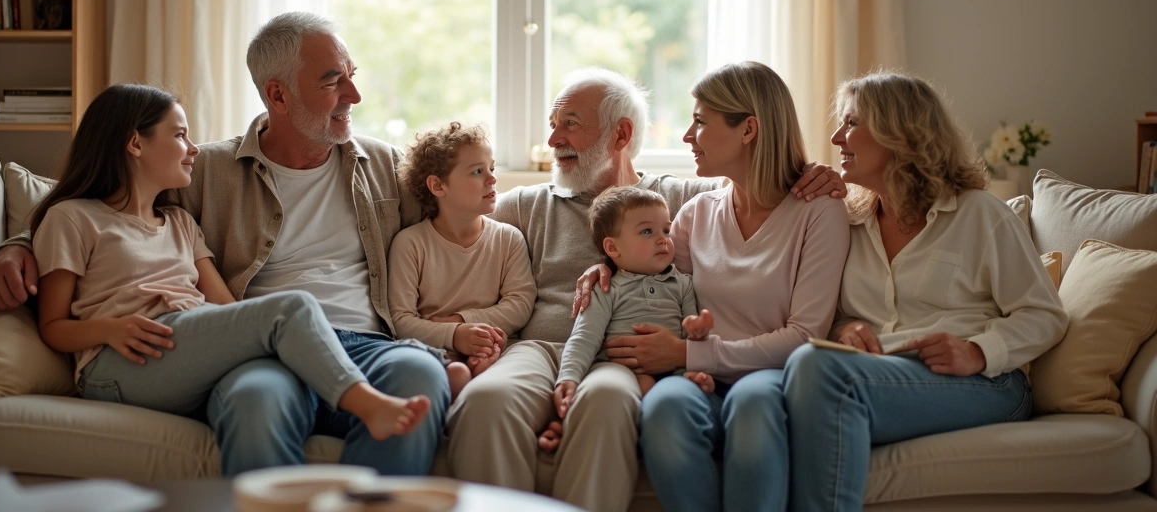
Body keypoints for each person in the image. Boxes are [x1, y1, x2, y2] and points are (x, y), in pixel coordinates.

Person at [0, 12, 451, 478]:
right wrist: (17, 247)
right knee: (254, 400)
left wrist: (472, 324)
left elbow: (458, 225)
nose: (355, 95)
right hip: (264, 354)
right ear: (277, 94)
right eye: (333, 82)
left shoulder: (384, 164)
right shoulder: (206, 171)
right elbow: (101, 202)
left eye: (352, 77)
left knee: (422, 377)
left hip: (367, 344)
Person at [447, 66, 848, 511]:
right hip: (540, 347)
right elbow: (451, 239)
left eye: (570, 124)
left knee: (606, 403)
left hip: (620, 354)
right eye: (552, 126)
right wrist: (453, 334)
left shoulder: (678, 202)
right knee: (485, 402)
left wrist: (820, 175)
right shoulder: (523, 205)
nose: (554, 139)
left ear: (621, 134)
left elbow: (766, 183)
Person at [32, 84, 429, 440]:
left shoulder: (180, 223)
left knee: (268, 359)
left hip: (187, 345)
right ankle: (365, 403)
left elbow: (231, 311)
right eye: (180, 135)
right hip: (120, 361)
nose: (192, 149)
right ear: (135, 143)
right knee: (293, 305)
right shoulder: (73, 218)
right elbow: (52, 327)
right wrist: (109, 329)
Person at [781, 72, 1069, 511]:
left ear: (901, 133)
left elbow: (1045, 315)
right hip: (877, 375)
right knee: (793, 385)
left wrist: (978, 350)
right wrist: (847, 328)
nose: (837, 137)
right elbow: (835, 313)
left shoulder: (980, 215)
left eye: (852, 123)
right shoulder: (847, 222)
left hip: (985, 383)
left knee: (814, 370)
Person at [573, 62, 851, 512]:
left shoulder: (819, 212)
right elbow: (658, 284)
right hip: (694, 377)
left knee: (755, 407)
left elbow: (806, 336)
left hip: (767, 376)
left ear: (748, 130)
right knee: (664, 408)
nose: (687, 135)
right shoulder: (697, 212)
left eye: (701, 121)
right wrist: (605, 269)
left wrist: (687, 353)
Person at [548, 186, 711, 450]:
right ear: (613, 247)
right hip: (624, 371)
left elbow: (689, 331)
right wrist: (568, 378)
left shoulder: (682, 283)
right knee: (636, 389)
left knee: (691, 385)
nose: (662, 239)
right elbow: (585, 337)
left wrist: (697, 331)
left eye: (666, 231)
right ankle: (570, 426)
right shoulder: (606, 287)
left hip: (673, 371)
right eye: (648, 231)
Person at [387, 121, 537, 399]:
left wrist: (461, 323)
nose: (492, 179)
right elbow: (400, 320)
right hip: (431, 351)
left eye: (491, 168)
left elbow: (520, 304)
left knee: (486, 374)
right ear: (438, 185)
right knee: (456, 374)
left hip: (490, 347)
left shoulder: (509, 239)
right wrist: (455, 336)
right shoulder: (410, 244)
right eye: (478, 171)